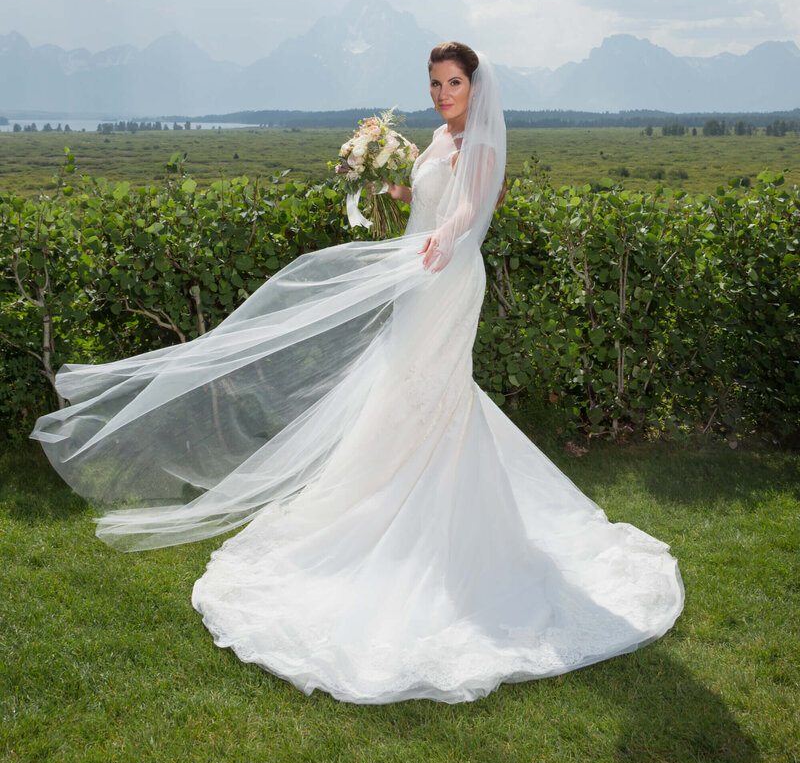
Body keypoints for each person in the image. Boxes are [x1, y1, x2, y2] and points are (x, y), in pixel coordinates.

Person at [31, 42, 684, 705]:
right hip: (419, 280)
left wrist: (444, 237)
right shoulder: (437, 136)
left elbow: (467, 208)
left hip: (449, 277)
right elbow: (419, 196)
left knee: (435, 394)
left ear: (475, 86)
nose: (442, 93)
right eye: (434, 83)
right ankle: (392, 499)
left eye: (452, 82)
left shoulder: (481, 144)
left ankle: (445, 535)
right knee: (409, 396)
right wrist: (376, 180)